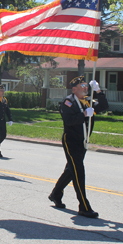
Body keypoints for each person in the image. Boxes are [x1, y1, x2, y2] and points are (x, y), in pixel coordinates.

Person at [48, 76, 108, 218]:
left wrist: (98, 91)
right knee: (79, 172)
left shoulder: (88, 101)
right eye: (82, 86)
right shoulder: (68, 102)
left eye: (86, 86)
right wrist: (83, 115)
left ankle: (55, 194)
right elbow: (69, 121)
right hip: (71, 141)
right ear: (74, 89)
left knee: (71, 170)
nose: (85, 88)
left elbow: (104, 107)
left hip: (83, 141)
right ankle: (84, 206)